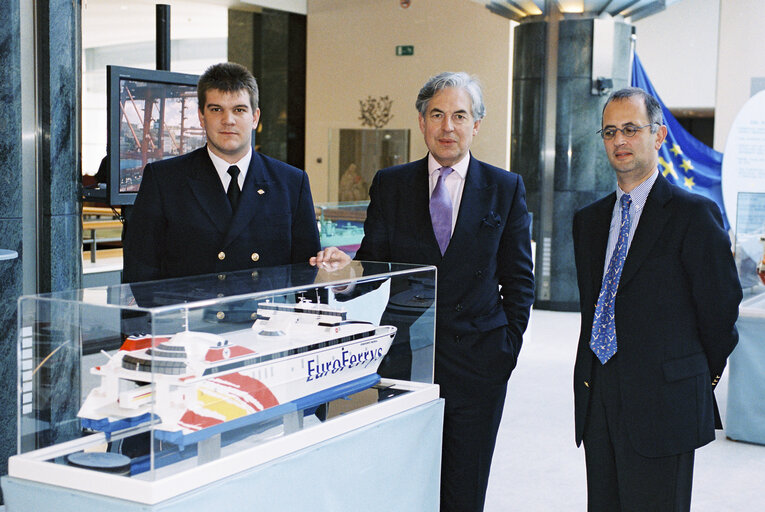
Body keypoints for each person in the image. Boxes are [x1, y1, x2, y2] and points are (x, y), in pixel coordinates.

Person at [313, 72, 534, 512]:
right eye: (437, 114)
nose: (447, 126)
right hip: (406, 359)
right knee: (405, 480)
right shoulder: (392, 184)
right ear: (421, 121)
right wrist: (346, 271)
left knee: (463, 487)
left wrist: (506, 348)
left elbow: (519, 280)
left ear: (477, 124)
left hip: (480, 361)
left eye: (459, 115)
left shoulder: (504, 188)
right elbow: (374, 265)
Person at [572, 87, 742, 511]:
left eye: (631, 129)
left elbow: (720, 314)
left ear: (659, 135)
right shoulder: (588, 223)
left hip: (664, 405)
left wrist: (691, 378)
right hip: (599, 399)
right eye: (610, 132)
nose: (620, 141)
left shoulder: (694, 216)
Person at [123, 62, 320, 283]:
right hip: (192, 316)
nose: (228, 120)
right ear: (201, 116)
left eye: (239, 110)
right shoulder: (164, 180)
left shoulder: (291, 182)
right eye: (216, 109)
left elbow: (306, 274)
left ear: (255, 117)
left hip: (267, 317)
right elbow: (140, 273)